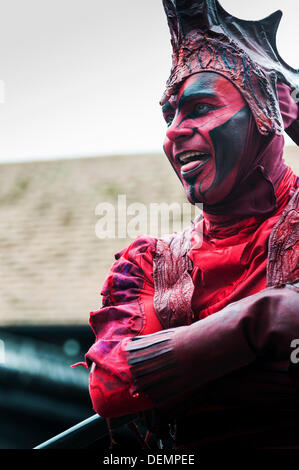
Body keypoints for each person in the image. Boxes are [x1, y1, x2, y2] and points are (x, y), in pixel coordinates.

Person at [77, 1, 299, 449]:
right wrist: (262, 320)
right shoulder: (150, 264)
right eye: (169, 115)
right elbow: (111, 385)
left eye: (199, 107)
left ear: (270, 111)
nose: (174, 132)